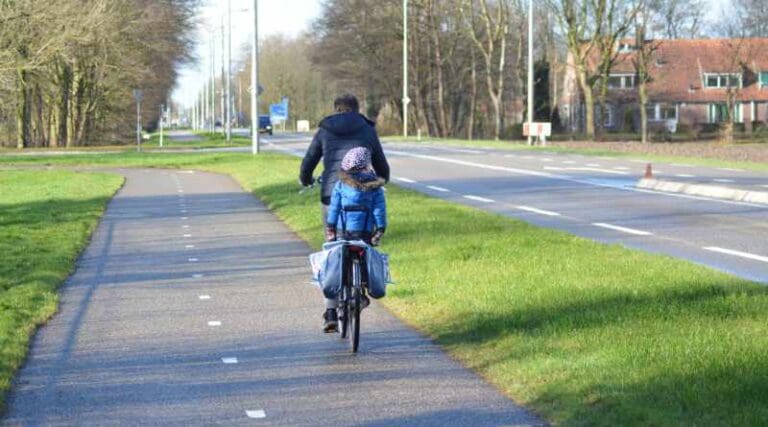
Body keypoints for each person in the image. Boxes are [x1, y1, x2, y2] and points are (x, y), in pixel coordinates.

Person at [300, 94, 390, 332]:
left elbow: (309, 160)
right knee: (365, 239)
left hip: (332, 193)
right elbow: (381, 162)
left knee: (332, 245)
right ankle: (362, 289)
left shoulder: (325, 129)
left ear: (336, 109)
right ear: (356, 109)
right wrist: (382, 180)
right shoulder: (367, 129)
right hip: (364, 192)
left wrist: (306, 179)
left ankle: (330, 311)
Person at [320, 147, 387, 332]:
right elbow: (379, 211)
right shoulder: (375, 187)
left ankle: (331, 312)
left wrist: (331, 228)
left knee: (333, 264)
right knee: (366, 257)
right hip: (364, 234)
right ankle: (362, 294)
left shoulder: (341, 186)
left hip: (343, 233)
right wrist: (380, 229)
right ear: (366, 165)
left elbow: (333, 209)